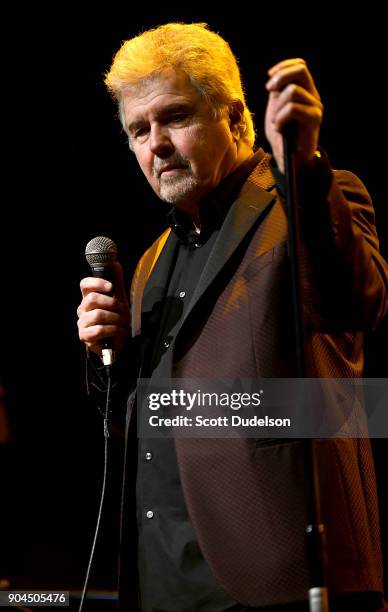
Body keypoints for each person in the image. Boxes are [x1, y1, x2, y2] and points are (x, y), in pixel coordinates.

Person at [77, 22, 388, 612]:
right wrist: (104, 354)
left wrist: (305, 168)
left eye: (175, 117)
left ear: (238, 118)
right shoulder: (149, 264)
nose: (156, 145)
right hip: (164, 579)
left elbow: (357, 301)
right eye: (138, 131)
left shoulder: (308, 202)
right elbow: (134, 422)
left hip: (281, 580)